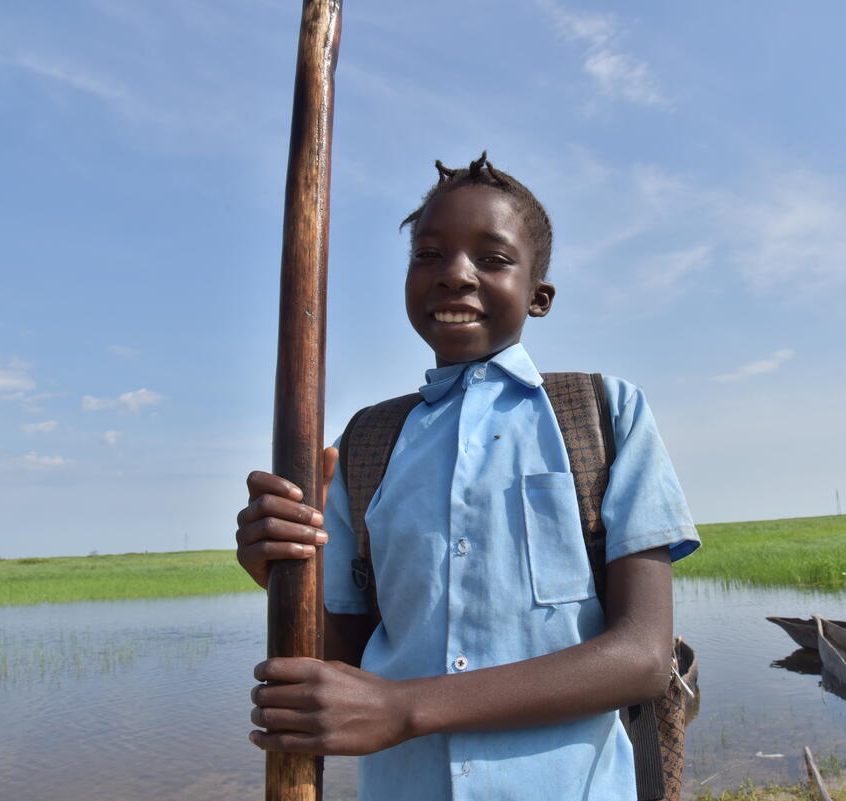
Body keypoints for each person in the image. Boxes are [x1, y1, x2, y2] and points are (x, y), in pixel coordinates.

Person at [235, 153, 700, 800]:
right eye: (428, 254)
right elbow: (348, 656)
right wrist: (281, 568)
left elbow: (643, 657)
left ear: (540, 295)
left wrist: (405, 708)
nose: (454, 274)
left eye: (492, 258)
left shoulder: (604, 416)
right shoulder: (366, 445)